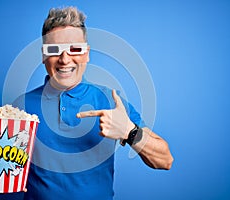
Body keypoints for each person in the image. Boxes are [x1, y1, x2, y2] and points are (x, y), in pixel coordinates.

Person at [13, 6, 173, 200]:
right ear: (44, 55)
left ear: (87, 54)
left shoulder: (110, 101)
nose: (65, 59)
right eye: (54, 50)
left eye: (75, 49)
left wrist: (129, 131)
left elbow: (165, 160)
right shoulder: (20, 106)